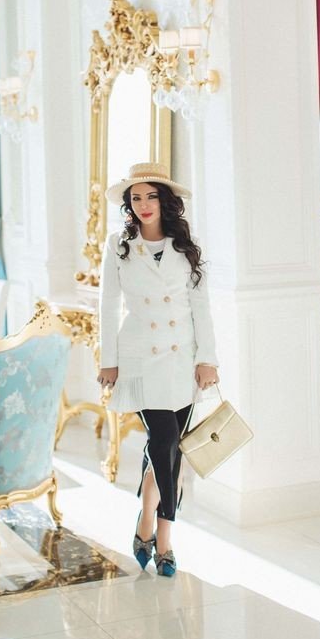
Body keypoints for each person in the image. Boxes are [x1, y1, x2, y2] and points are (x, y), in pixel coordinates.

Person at [97, 162, 219, 577]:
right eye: (136, 197)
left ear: (165, 201)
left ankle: (148, 522)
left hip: (182, 359)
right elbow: (108, 306)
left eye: (151, 196)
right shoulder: (119, 245)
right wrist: (108, 362)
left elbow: (201, 307)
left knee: (170, 450)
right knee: (162, 440)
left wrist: (208, 360)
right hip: (140, 357)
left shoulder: (187, 246)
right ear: (129, 205)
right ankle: (165, 541)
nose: (144, 204)